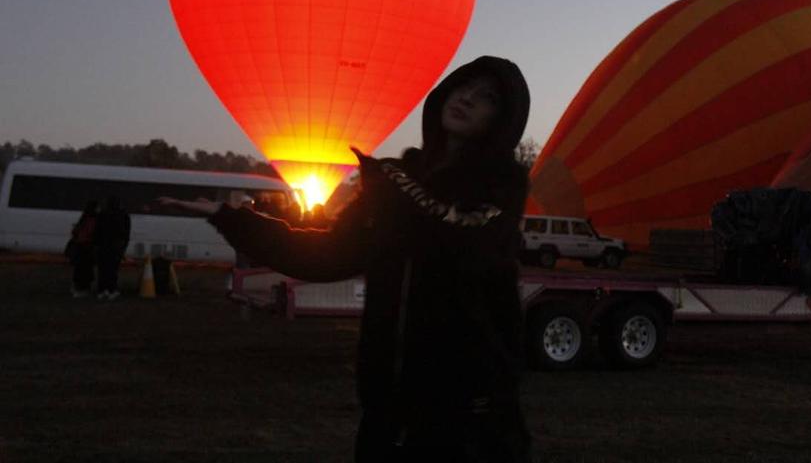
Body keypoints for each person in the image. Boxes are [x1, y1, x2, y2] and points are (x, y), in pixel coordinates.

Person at [161, 56, 533, 462]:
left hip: (468, 417)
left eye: (487, 98)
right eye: (464, 86)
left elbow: (464, 241)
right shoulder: (392, 182)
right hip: (387, 410)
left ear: (502, 121)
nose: (467, 99)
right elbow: (327, 255)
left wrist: (393, 188)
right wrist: (231, 219)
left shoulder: (500, 190)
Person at [94, 195, 131, 301]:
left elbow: (97, 231)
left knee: (102, 269)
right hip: (116, 247)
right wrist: (124, 247)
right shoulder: (123, 215)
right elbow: (126, 233)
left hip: (103, 246)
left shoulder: (102, 214)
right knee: (113, 270)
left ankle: (101, 290)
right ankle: (111, 290)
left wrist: (96, 245)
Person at [67, 200, 99, 297]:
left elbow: (75, 231)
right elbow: (92, 233)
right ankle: (83, 289)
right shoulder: (93, 219)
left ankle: (77, 288)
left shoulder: (83, 218)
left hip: (80, 246)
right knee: (86, 270)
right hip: (87, 247)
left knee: (79, 269)